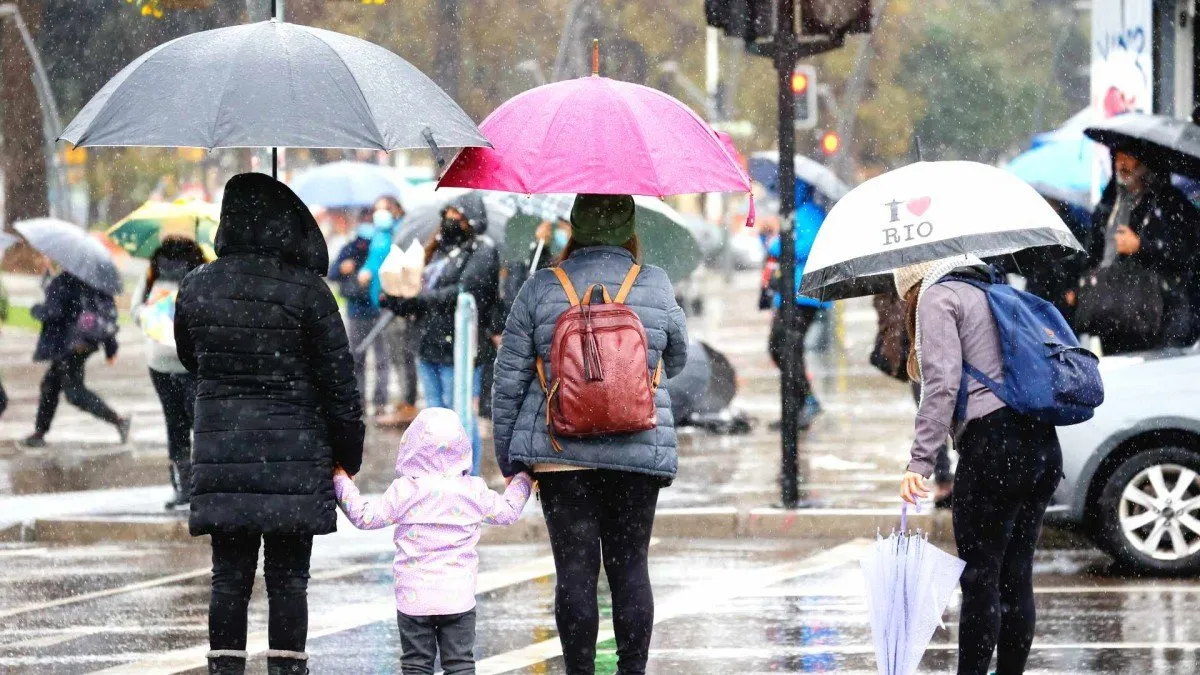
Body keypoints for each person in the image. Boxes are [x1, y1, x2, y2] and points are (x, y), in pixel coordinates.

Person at [174, 173, 365, 675]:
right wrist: (348, 453)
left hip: (223, 452)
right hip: (295, 454)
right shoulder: (308, 291)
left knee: (228, 579)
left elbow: (191, 359)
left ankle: (225, 669)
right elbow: (339, 383)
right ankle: (286, 670)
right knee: (289, 581)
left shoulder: (197, 285)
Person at [492, 194, 689, 675]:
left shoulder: (540, 288)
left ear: (573, 227)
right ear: (630, 230)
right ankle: (631, 670)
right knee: (630, 570)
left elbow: (509, 378)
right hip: (638, 449)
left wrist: (511, 459)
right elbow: (677, 358)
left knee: (575, 573)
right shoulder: (655, 283)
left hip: (561, 453)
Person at [896, 256, 1062, 675]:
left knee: (979, 577)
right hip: (1041, 443)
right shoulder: (994, 289)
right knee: (1016, 573)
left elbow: (942, 386)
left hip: (995, 447)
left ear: (911, 286)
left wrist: (920, 462)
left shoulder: (937, 299)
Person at [333, 407, 533, 675]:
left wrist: (340, 479)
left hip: (413, 597)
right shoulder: (472, 490)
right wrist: (524, 477)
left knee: (416, 663)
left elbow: (365, 517)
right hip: (458, 597)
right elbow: (507, 512)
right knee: (460, 663)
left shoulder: (406, 491)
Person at [382, 196, 500, 475]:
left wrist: (423, 298)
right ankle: (440, 474)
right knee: (434, 416)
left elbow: (466, 290)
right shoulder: (435, 251)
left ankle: (466, 478)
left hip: (460, 348)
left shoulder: (482, 250)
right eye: (446, 214)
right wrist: (398, 298)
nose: (449, 221)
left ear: (470, 220)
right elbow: (418, 292)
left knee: (459, 416)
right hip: (428, 345)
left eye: (456, 216)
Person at [1080, 150, 1199, 348]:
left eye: (1128, 157)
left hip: (1163, 316)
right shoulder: (1110, 205)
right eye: (1117, 158)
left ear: (1145, 161)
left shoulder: (1171, 203)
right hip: (1116, 316)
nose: (1121, 164)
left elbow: (1185, 252)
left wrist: (1141, 246)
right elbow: (1093, 254)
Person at [131, 237, 207, 510]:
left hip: (159, 362)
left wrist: (153, 318)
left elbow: (135, 310)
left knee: (173, 423)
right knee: (202, 423)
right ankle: (204, 484)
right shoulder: (202, 272)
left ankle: (182, 487)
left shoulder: (153, 273)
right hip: (193, 362)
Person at [24, 270, 129, 448]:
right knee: (50, 385)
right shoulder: (93, 280)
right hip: (83, 343)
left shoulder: (64, 281)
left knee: (74, 393)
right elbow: (103, 316)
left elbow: (54, 312)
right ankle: (39, 433)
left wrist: (36, 310)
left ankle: (119, 421)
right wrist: (111, 348)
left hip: (69, 345)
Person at [764, 182, 830, 431]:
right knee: (780, 346)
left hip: (804, 293)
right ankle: (797, 406)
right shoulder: (795, 213)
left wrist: (777, 241)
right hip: (790, 292)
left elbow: (803, 246)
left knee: (786, 347)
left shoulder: (810, 213)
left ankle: (807, 400)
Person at [330, 210, 391, 413]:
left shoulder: (381, 245)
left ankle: (380, 402)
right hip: (357, 311)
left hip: (379, 310)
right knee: (358, 358)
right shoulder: (351, 247)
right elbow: (332, 272)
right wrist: (343, 268)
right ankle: (361, 400)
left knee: (381, 359)